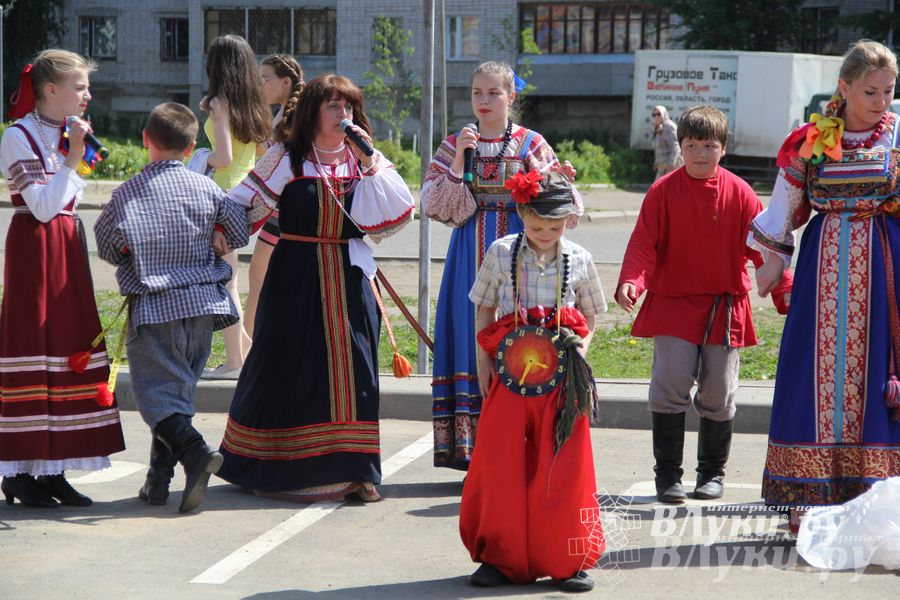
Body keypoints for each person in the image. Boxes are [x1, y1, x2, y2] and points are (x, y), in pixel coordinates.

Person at [216, 74, 415, 503]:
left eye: (348, 106)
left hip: (349, 276)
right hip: (296, 278)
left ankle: (358, 471)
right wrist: (218, 235)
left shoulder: (363, 160)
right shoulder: (289, 158)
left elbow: (399, 214)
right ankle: (288, 468)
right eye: (332, 105)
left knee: (357, 372)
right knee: (292, 368)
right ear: (313, 112)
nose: (342, 113)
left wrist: (371, 160)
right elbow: (240, 202)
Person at [750, 39, 900, 532]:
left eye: (888, 90)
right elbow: (785, 206)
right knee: (815, 378)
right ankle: (808, 495)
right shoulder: (812, 139)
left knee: (878, 378)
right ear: (845, 87)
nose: (882, 101)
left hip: (886, 273)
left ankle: (875, 495)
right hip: (823, 271)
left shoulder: (898, 135)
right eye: (871, 91)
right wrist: (772, 262)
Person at [615, 106, 792, 505]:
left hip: (724, 307)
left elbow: (765, 248)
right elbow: (644, 242)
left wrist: (784, 289)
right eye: (691, 145)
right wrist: (631, 280)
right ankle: (667, 476)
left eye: (708, 146)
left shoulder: (741, 192)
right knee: (669, 385)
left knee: (719, 392)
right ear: (680, 147)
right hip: (674, 305)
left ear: (723, 149)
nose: (699, 153)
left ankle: (711, 474)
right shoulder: (662, 191)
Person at [422, 61, 579, 471]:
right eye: (477, 92)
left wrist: (559, 182)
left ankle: (519, 448)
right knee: (469, 336)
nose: (484, 100)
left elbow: (561, 203)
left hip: (521, 255)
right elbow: (435, 205)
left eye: (494, 93)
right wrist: (459, 160)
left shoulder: (530, 143)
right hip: (467, 257)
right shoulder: (455, 143)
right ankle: (474, 453)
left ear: (511, 97)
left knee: (518, 336)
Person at [94, 103, 249, 513]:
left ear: (146, 141)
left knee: (156, 398)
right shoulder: (208, 187)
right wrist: (217, 236)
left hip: (156, 308)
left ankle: (196, 452)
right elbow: (237, 229)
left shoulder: (127, 193)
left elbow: (108, 245)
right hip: (203, 307)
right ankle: (157, 481)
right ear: (191, 146)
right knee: (174, 397)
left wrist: (132, 250)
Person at [460, 170, 605, 593]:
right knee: (502, 462)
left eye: (555, 227)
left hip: (561, 378)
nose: (545, 234)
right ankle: (499, 557)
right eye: (537, 225)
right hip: (510, 375)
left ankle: (566, 558)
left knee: (563, 466)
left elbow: (592, 316)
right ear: (521, 212)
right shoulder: (501, 252)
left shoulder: (578, 258)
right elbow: (483, 308)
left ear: (569, 221)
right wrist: (482, 362)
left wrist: (582, 348)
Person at [0, 50, 125, 508]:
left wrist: (77, 152)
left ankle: (55, 470)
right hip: (35, 248)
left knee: (68, 342)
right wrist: (72, 157)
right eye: (79, 86)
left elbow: (73, 195)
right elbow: (42, 206)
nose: (87, 94)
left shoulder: (70, 132)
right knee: (36, 341)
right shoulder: (18, 135)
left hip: (67, 244)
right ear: (50, 90)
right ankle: (22, 472)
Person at [199, 34, 271, 380]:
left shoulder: (219, 103)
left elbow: (223, 158)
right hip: (244, 199)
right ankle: (250, 357)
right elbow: (260, 156)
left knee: (225, 284)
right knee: (231, 280)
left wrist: (197, 157)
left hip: (220, 198)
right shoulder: (255, 105)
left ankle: (234, 363)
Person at [245, 54, 305, 341]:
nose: (259, 86)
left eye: (264, 79)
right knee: (265, 280)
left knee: (259, 279)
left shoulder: (293, 117)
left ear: (285, 82)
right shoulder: (285, 114)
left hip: (284, 212)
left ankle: (249, 351)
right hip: (284, 210)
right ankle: (254, 347)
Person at [651, 105, 682, 180]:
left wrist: (670, 164)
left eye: (658, 114)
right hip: (662, 167)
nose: (656, 117)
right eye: (654, 115)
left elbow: (676, 146)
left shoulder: (668, 126)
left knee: (659, 189)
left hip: (671, 167)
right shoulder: (657, 127)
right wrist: (657, 163)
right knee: (659, 189)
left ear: (664, 114)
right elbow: (658, 148)